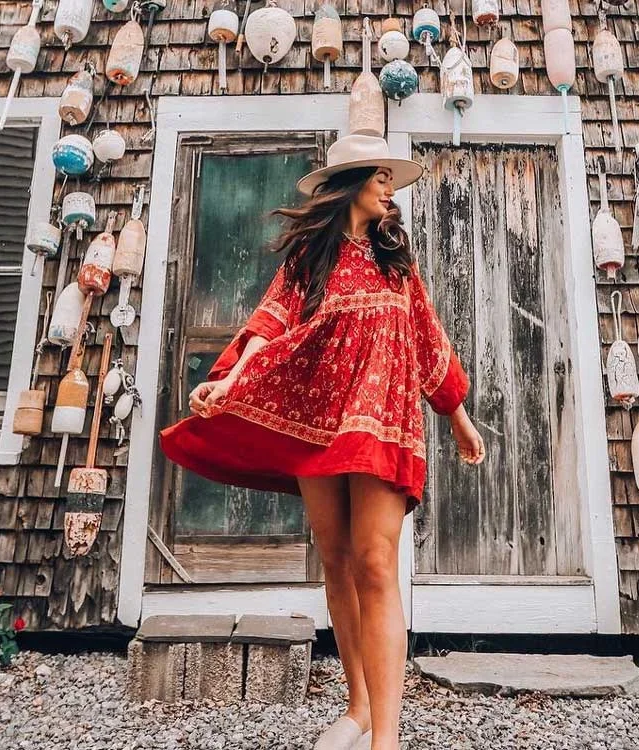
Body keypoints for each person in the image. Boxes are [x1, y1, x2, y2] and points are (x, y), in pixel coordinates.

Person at [159, 133, 486, 750]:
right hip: (315, 419)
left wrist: (457, 416)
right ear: (352, 182)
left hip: (383, 423)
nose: (391, 186)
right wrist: (229, 380)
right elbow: (269, 325)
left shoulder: (398, 263)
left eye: (391, 176)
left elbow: (426, 338)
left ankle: (385, 740)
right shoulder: (310, 257)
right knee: (335, 558)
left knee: (375, 562)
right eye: (380, 175)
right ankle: (357, 705)